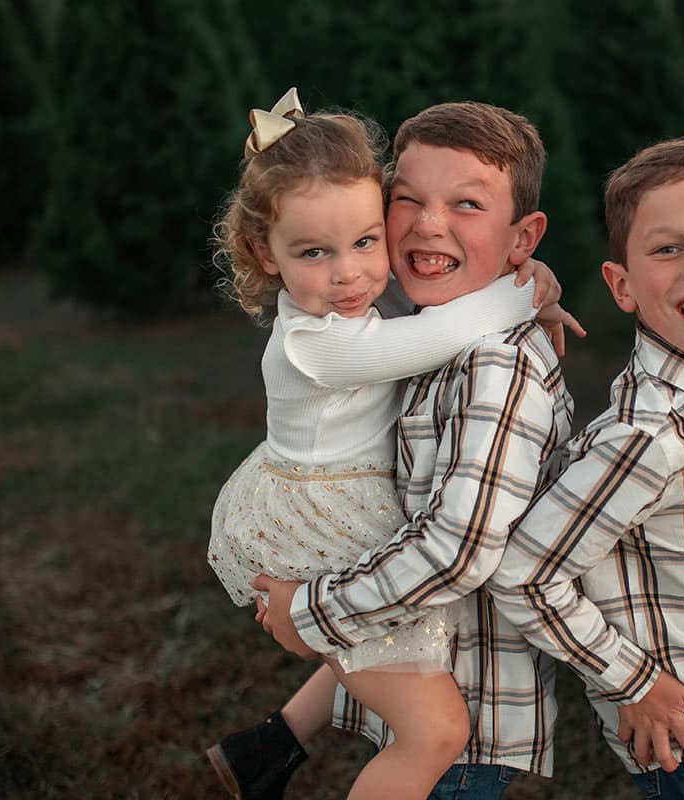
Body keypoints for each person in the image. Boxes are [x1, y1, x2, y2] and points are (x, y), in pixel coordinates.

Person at [204, 89, 572, 800]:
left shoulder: (361, 301)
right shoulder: (319, 341)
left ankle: (270, 746)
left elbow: (421, 315)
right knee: (432, 729)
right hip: (319, 517)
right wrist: (529, 287)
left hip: (342, 503)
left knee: (380, 645)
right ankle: (277, 745)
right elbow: (435, 334)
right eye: (316, 251)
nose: (349, 274)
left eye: (364, 241)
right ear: (264, 251)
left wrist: (529, 277)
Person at [488, 138, 684, 800]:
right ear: (621, 285)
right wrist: (631, 680)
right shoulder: (648, 441)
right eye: (668, 248)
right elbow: (522, 574)